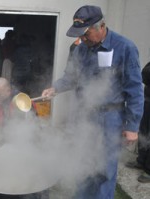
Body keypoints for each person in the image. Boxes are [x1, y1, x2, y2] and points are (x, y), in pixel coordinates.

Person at [41, 5, 144, 199]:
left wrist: (133, 125)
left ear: (101, 26)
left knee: (104, 169)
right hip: (84, 115)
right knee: (84, 163)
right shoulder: (81, 50)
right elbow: (70, 78)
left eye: (86, 34)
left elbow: (135, 89)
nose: (83, 39)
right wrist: (55, 88)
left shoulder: (125, 48)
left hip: (110, 118)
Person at [126, 61, 150, 183]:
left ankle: (149, 170)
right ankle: (141, 161)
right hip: (147, 100)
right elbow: (144, 75)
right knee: (143, 132)